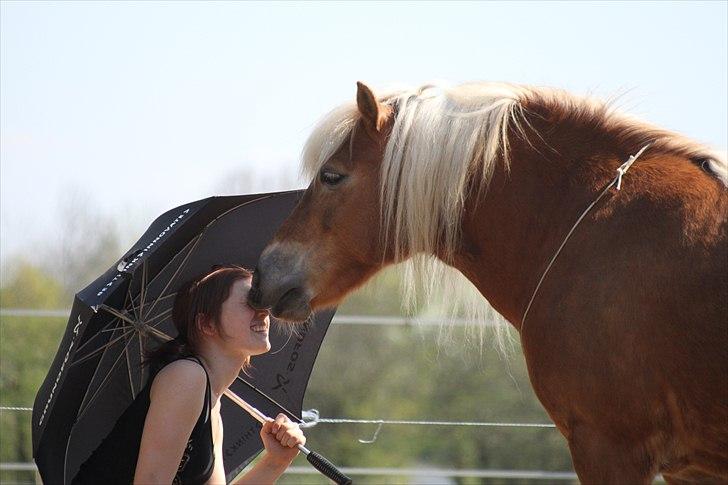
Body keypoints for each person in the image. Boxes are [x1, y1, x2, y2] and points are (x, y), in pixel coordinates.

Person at [73, 265, 305, 484]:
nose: (264, 311)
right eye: (249, 303)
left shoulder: (212, 404)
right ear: (207, 324)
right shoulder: (187, 376)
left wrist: (276, 461)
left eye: (262, 302)